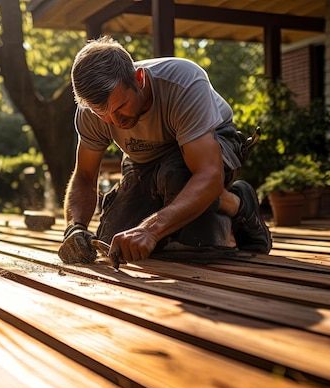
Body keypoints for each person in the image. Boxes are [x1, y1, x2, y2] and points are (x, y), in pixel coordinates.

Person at [58, 36, 271, 266]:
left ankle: (237, 203)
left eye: (120, 107)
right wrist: (75, 227)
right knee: (116, 241)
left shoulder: (183, 81)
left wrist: (151, 230)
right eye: (103, 115)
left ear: (139, 79)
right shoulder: (90, 112)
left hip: (210, 146)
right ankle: (196, 202)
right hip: (146, 161)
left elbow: (208, 174)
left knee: (183, 204)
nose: (114, 121)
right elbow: (84, 176)